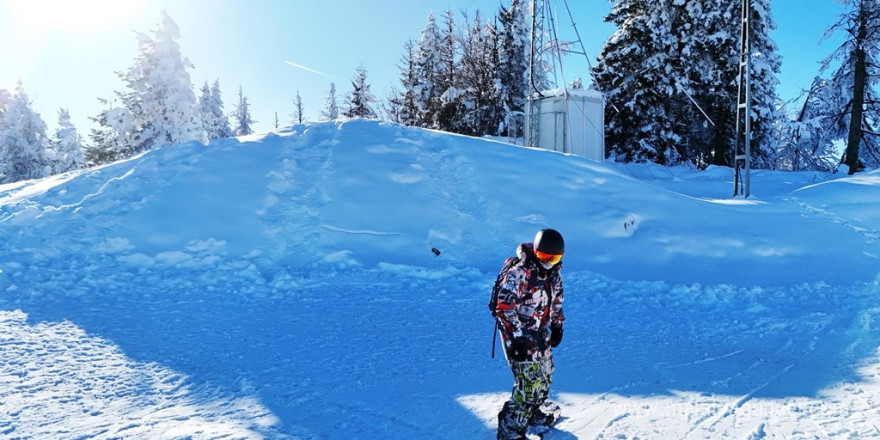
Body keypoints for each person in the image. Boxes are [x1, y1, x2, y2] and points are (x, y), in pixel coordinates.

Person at [493, 228, 565, 440]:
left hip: (539, 333)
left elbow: (557, 300)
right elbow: (504, 307)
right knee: (529, 384)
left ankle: (533, 413)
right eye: (545, 257)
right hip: (518, 335)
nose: (549, 262)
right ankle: (510, 431)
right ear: (535, 251)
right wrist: (516, 339)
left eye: (554, 258)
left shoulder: (554, 272)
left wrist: (557, 324)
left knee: (545, 375)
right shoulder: (519, 272)